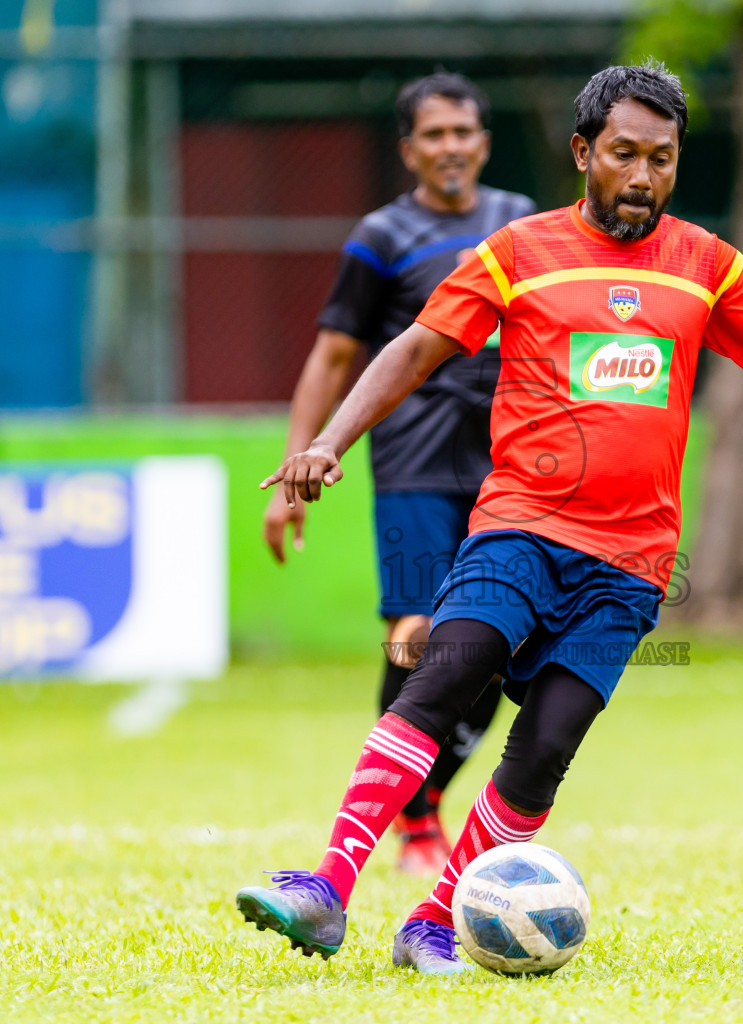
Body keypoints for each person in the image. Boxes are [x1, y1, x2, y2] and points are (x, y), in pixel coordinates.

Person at [236, 62, 743, 973]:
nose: (643, 177)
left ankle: (435, 920)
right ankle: (327, 886)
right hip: (519, 528)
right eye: (625, 155)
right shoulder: (518, 251)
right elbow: (411, 351)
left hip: (632, 564)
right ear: (582, 152)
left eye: (663, 160)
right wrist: (327, 441)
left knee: (544, 748)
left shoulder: (706, 264)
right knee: (440, 679)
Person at [261, 73, 537, 876]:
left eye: (463, 132)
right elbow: (334, 356)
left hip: (507, 468)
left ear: (483, 142)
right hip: (414, 463)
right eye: (434, 134)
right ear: (408, 148)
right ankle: (414, 819)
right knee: (419, 639)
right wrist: (294, 470)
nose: (450, 147)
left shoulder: (520, 223)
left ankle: (426, 797)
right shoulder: (380, 237)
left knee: (496, 644)